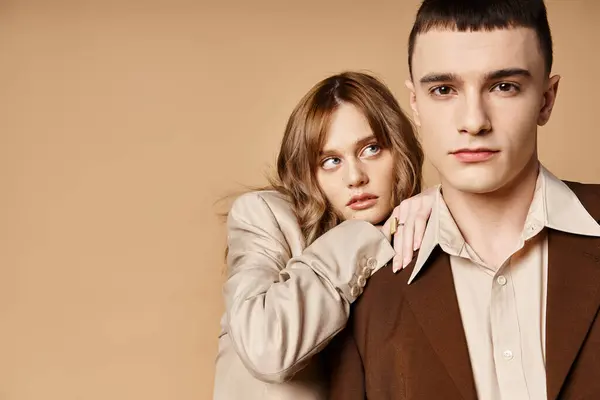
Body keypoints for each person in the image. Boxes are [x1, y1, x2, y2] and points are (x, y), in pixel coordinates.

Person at [326, 0, 600, 399]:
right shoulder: (363, 285)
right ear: (415, 104)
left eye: (504, 86)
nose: (474, 121)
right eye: (444, 90)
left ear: (546, 98)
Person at [213, 71, 436, 400]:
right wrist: (361, 235)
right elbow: (267, 348)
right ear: (309, 173)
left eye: (371, 149)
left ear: (399, 152)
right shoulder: (264, 215)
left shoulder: (418, 230)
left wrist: (448, 202)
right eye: (331, 161)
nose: (355, 177)